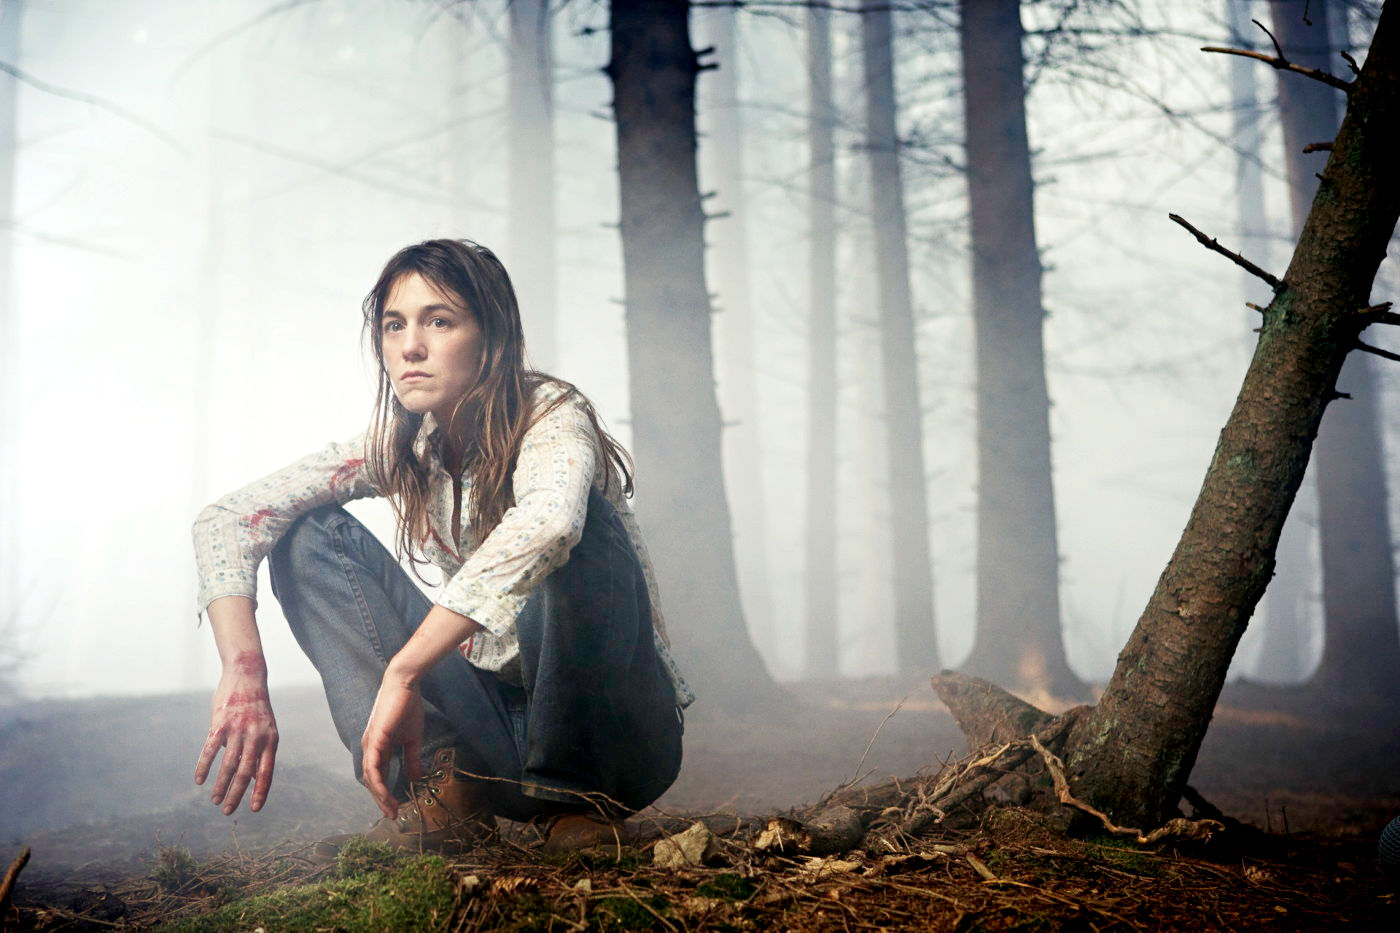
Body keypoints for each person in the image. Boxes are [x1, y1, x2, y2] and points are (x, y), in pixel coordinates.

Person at [190, 238, 691, 853]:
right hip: (495, 740)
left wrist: (404, 670)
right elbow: (231, 518)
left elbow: (550, 524)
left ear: (493, 337)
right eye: (394, 325)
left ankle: (580, 802)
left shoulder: (552, 414)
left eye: (439, 321)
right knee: (304, 534)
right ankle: (442, 792)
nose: (410, 347)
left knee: (578, 525)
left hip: (620, 740)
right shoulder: (402, 443)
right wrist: (245, 674)